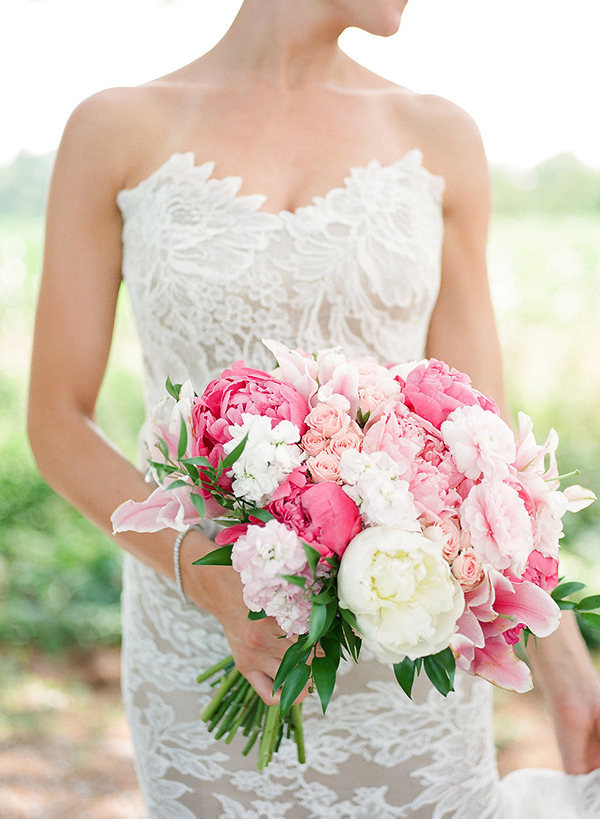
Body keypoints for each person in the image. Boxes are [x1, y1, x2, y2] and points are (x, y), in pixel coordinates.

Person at [27, 1, 600, 816]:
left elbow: (484, 445)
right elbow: (55, 422)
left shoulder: (439, 135)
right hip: (196, 634)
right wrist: (209, 580)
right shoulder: (115, 129)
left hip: (408, 644)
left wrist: (568, 670)